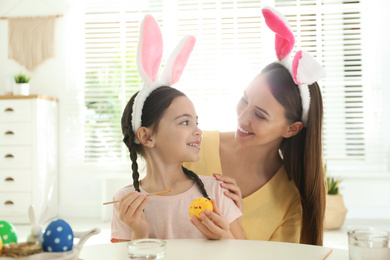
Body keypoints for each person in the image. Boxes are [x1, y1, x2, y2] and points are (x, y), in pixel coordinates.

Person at [184, 6, 326, 246]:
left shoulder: (288, 199)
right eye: (245, 99)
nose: (243, 117)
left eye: (260, 115)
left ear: (291, 129)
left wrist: (231, 230)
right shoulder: (193, 144)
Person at [110, 15, 245, 242]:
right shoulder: (125, 202)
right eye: (185, 122)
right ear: (146, 136)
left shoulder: (216, 191)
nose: (198, 131)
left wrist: (225, 238)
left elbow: (247, 255)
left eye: (196, 122)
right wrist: (139, 232)